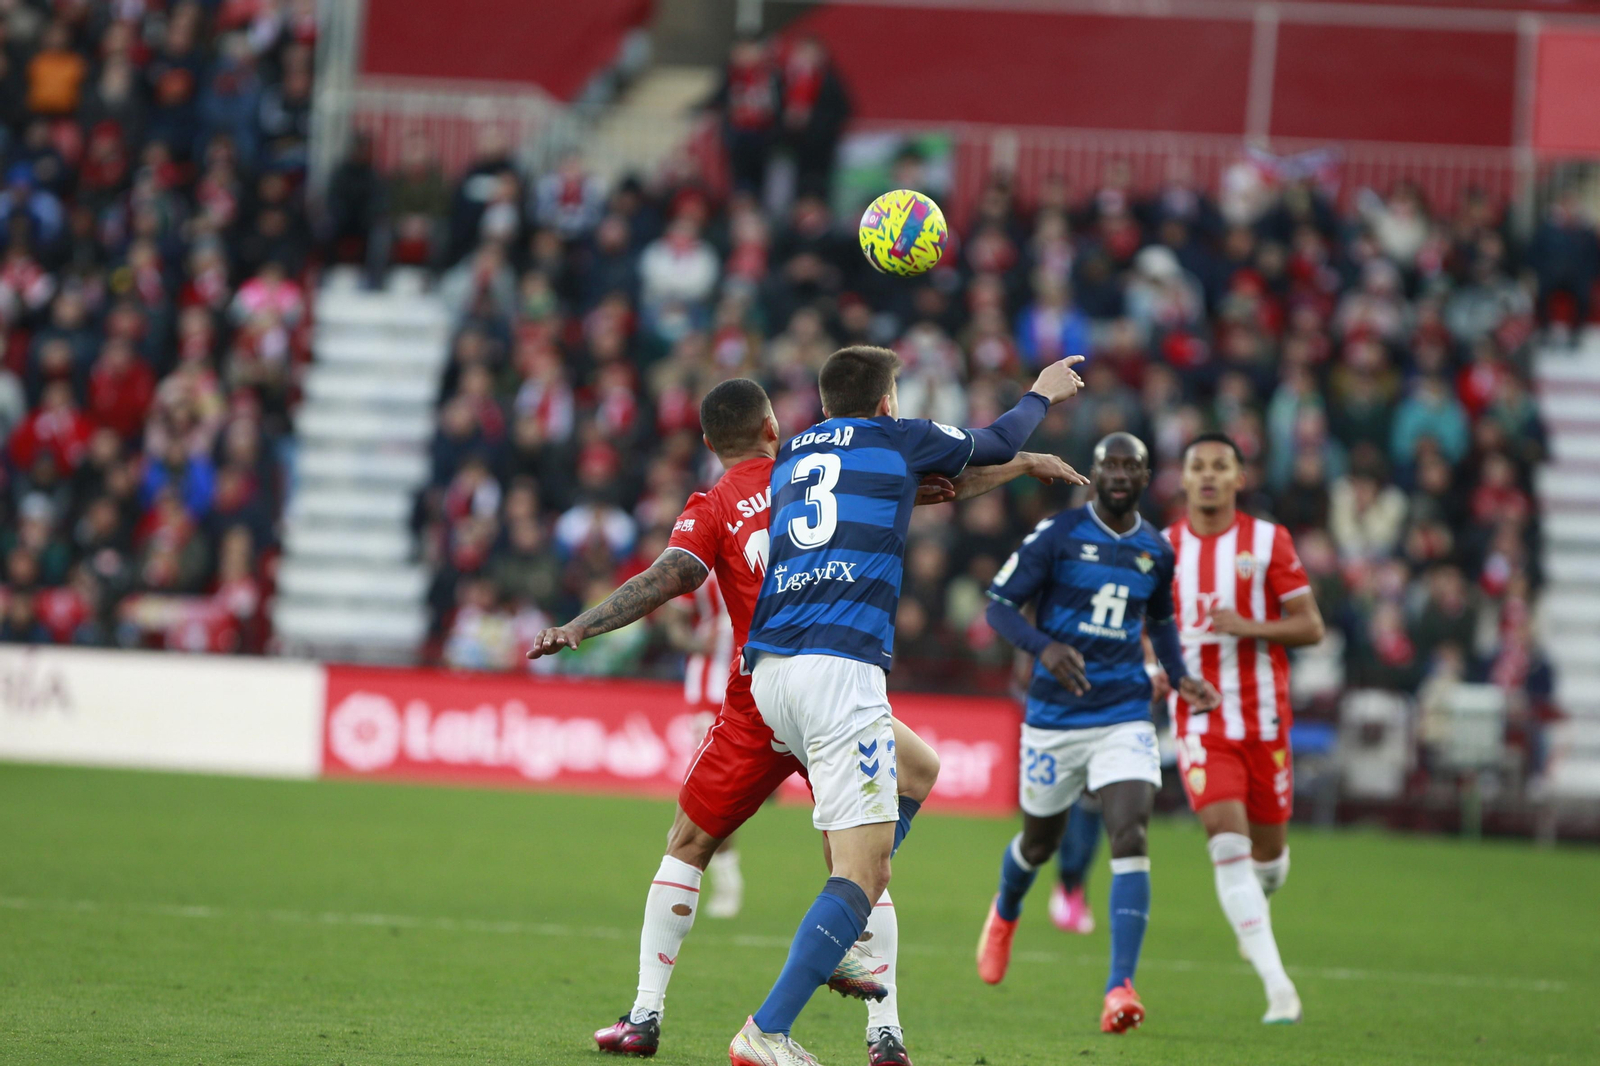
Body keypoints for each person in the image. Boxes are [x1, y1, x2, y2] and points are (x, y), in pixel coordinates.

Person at [530, 378, 1083, 1064]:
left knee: (688, 843)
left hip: (760, 694)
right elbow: (937, 489)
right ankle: (881, 1032)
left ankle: (645, 1014)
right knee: (865, 856)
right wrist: (1020, 464)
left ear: (707, 443)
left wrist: (581, 626)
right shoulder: (823, 462)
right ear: (772, 424)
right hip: (832, 677)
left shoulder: (714, 504)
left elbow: (669, 576)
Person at [728, 347, 1087, 1066]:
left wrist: (1014, 469)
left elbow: (942, 484)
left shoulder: (797, 452)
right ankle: (764, 1033)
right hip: (840, 668)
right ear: (887, 399)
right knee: (864, 874)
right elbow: (996, 438)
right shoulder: (897, 438)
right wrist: (1041, 393)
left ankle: (846, 928)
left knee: (918, 768)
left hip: (771, 670)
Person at [974, 432, 1219, 1034]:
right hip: (1054, 719)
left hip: (1124, 713)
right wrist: (1044, 647)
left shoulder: (1156, 551)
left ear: (1144, 477)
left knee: (1131, 833)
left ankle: (1119, 986)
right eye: (1108, 464)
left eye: (1130, 466)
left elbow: (1160, 622)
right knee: (1039, 843)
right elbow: (1000, 605)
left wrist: (1181, 676)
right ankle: (1005, 912)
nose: (1118, 474)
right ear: (1094, 473)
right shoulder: (1057, 537)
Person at [1163, 432, 1326, 1024]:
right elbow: (1147, 633)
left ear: (1237, 478)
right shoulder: (1163, 548)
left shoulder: (1268, 540)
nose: (1208, 476)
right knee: (1227, 845)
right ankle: (1278, 987)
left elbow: (1311, 627)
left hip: (1264, 720)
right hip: (1202, 721)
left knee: (1270, 859)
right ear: (1183, 480)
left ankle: (1254, 911)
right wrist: (1158, 672)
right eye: (1197, 466)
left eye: (1220, 466)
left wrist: (1248, 626)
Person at [659, 570, 746, 919]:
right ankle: (727, 879)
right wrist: (696, 643)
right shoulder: (700, 565)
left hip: (758, 674)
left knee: (737, 782)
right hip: (708, 686)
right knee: (715, 785)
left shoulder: (768, 544)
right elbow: (674, 623)